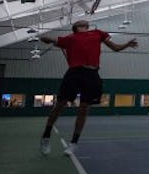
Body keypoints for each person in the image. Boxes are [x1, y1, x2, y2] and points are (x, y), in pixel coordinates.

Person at [39, 20, 137, 156]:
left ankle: (73, 143)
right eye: (80, 23)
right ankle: (46, 135)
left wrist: (127, 44)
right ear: (76, 27)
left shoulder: (98, 33)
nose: (84, 21)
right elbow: (53, 40)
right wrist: (47, 38)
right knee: (60, 104)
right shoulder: (70, 38)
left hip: (92, 74)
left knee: (84, 108)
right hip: (74, 73)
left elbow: (115, 48)